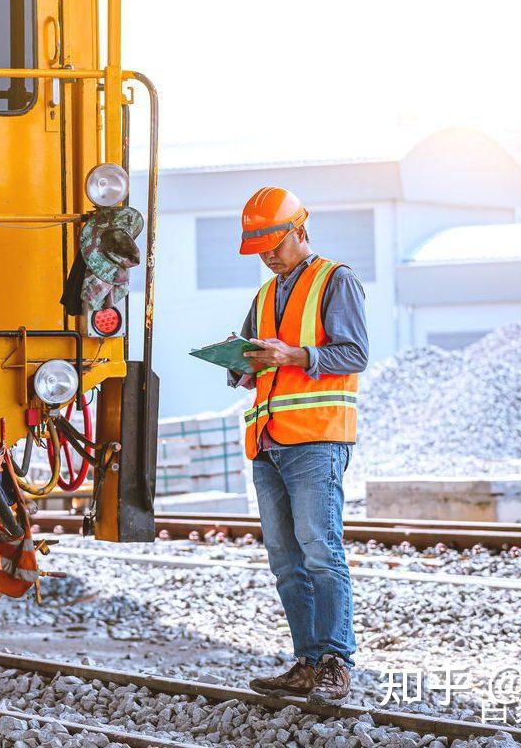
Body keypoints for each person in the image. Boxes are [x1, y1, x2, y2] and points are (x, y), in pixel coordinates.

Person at [229, 186, 367, 702]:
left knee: (320, 550)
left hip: (316, 440)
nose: (267, 255)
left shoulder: (336, 280)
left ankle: (336, 661)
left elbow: (353, 353)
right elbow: (254, 356)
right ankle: (307, 662)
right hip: (267, 442)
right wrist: (241, 366)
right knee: (286, 560)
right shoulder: (263, 296)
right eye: (259, 249)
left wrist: (290, 356)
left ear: (299, 231)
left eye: (274, 245)